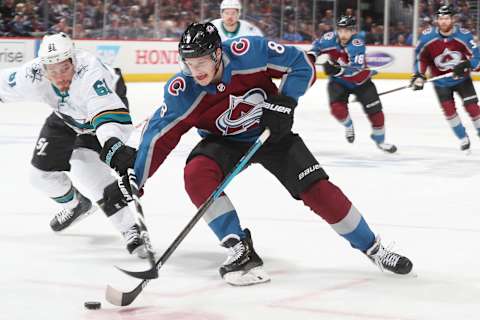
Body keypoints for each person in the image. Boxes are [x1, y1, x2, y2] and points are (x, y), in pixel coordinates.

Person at [105, 22, 413, 286]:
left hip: (272, 135)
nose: (194, 69)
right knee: (196, 175)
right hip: (222, 142)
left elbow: (301, 64)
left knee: (318, 190)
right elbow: (160, 134)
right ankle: (239, 248)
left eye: (200, 61)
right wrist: (137, 179)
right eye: (188, 62)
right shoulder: (183, 89)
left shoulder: (247, 52)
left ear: (217, 54)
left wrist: (286, 101)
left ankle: (374, 248)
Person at [0, 33, 146, 257]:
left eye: (64, 69)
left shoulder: (90, 73)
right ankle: (76, 204)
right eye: (53, 71)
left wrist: (113, 145)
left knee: (85, 167)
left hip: (101, 109)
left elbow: (104, 113)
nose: (59, 77)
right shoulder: (32, 75)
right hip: (66, 115)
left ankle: (129, 228)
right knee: (39, 176)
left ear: (73, 61)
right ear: (43, 68)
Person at [308, 16, 397, 153]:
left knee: (377, 114)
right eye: (341, 30)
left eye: (347, 31)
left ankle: (380, 141)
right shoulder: (329, 38)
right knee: (337, 110)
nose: (343, 34)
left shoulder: (357, 45)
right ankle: (349, 126)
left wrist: (336, 70)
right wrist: (312, 56)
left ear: (353, 31)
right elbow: (317, 47)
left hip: (361, 82)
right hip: (339, 83)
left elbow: (355, 70)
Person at [411, 4, 480, 151]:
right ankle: (462, 137)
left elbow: (477, 58)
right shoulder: (427, 37)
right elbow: (420, 58)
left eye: (446, 18)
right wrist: (419, 75)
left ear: (453, 19)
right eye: (441, 18)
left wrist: (467, 64)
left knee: (473, 108)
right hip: (440, 82)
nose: (443, 21)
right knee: (449, 112)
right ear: (437, 20)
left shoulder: (464, 35)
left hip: (462, 80)